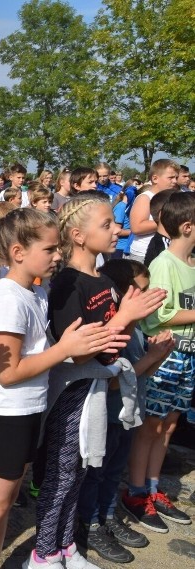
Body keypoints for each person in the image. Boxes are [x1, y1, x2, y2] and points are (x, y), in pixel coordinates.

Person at [0, 208, 124, 569]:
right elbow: (8, 372)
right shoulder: (9, 298)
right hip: (4, 415)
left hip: (25, 411)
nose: (58, 256)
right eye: (50, 249)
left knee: (2, 505)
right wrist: (64, 350)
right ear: (19, 252)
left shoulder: (33, 292)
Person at [27, 195, 165, 569]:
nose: (116, 229)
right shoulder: (68, 284)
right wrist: (124, 318)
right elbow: (79, 352)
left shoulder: (103, 278)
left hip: (97, 389)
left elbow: (111, 342)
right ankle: (43, 553)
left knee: (82, 471)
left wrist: (132, 319)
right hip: (72, 393)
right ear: (78, 236)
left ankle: (66, 546)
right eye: (106, 224)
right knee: (62, 472)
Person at [77, 259, 172, 564]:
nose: (147, 298)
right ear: (120, 293)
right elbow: (115, 382)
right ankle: (89, 524)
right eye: (141, 291)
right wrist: (151, 357)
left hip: (128, 416)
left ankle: (107, 516)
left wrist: (159, 355)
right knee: (96, 474)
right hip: (107, 415)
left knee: (114, 471)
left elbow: (140, 374)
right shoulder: (113, 331)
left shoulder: (139, 330)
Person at [122, 191, 195, 534]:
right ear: (187, 226)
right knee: (151, 426)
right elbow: (158, 315)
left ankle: (153, 487)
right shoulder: (164, 264)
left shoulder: (193, 263)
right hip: (166, 356)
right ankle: (136, 492)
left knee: (169, 425)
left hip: (189, 358)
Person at [127, 159, 180, 263]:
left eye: (176, 177)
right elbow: (137, 227)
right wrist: (172, 220)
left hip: (168, 252)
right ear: (155, 178)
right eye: (171, 177)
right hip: (144, 253)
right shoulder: (145, 198)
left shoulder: (174, 197)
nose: (175, 181)